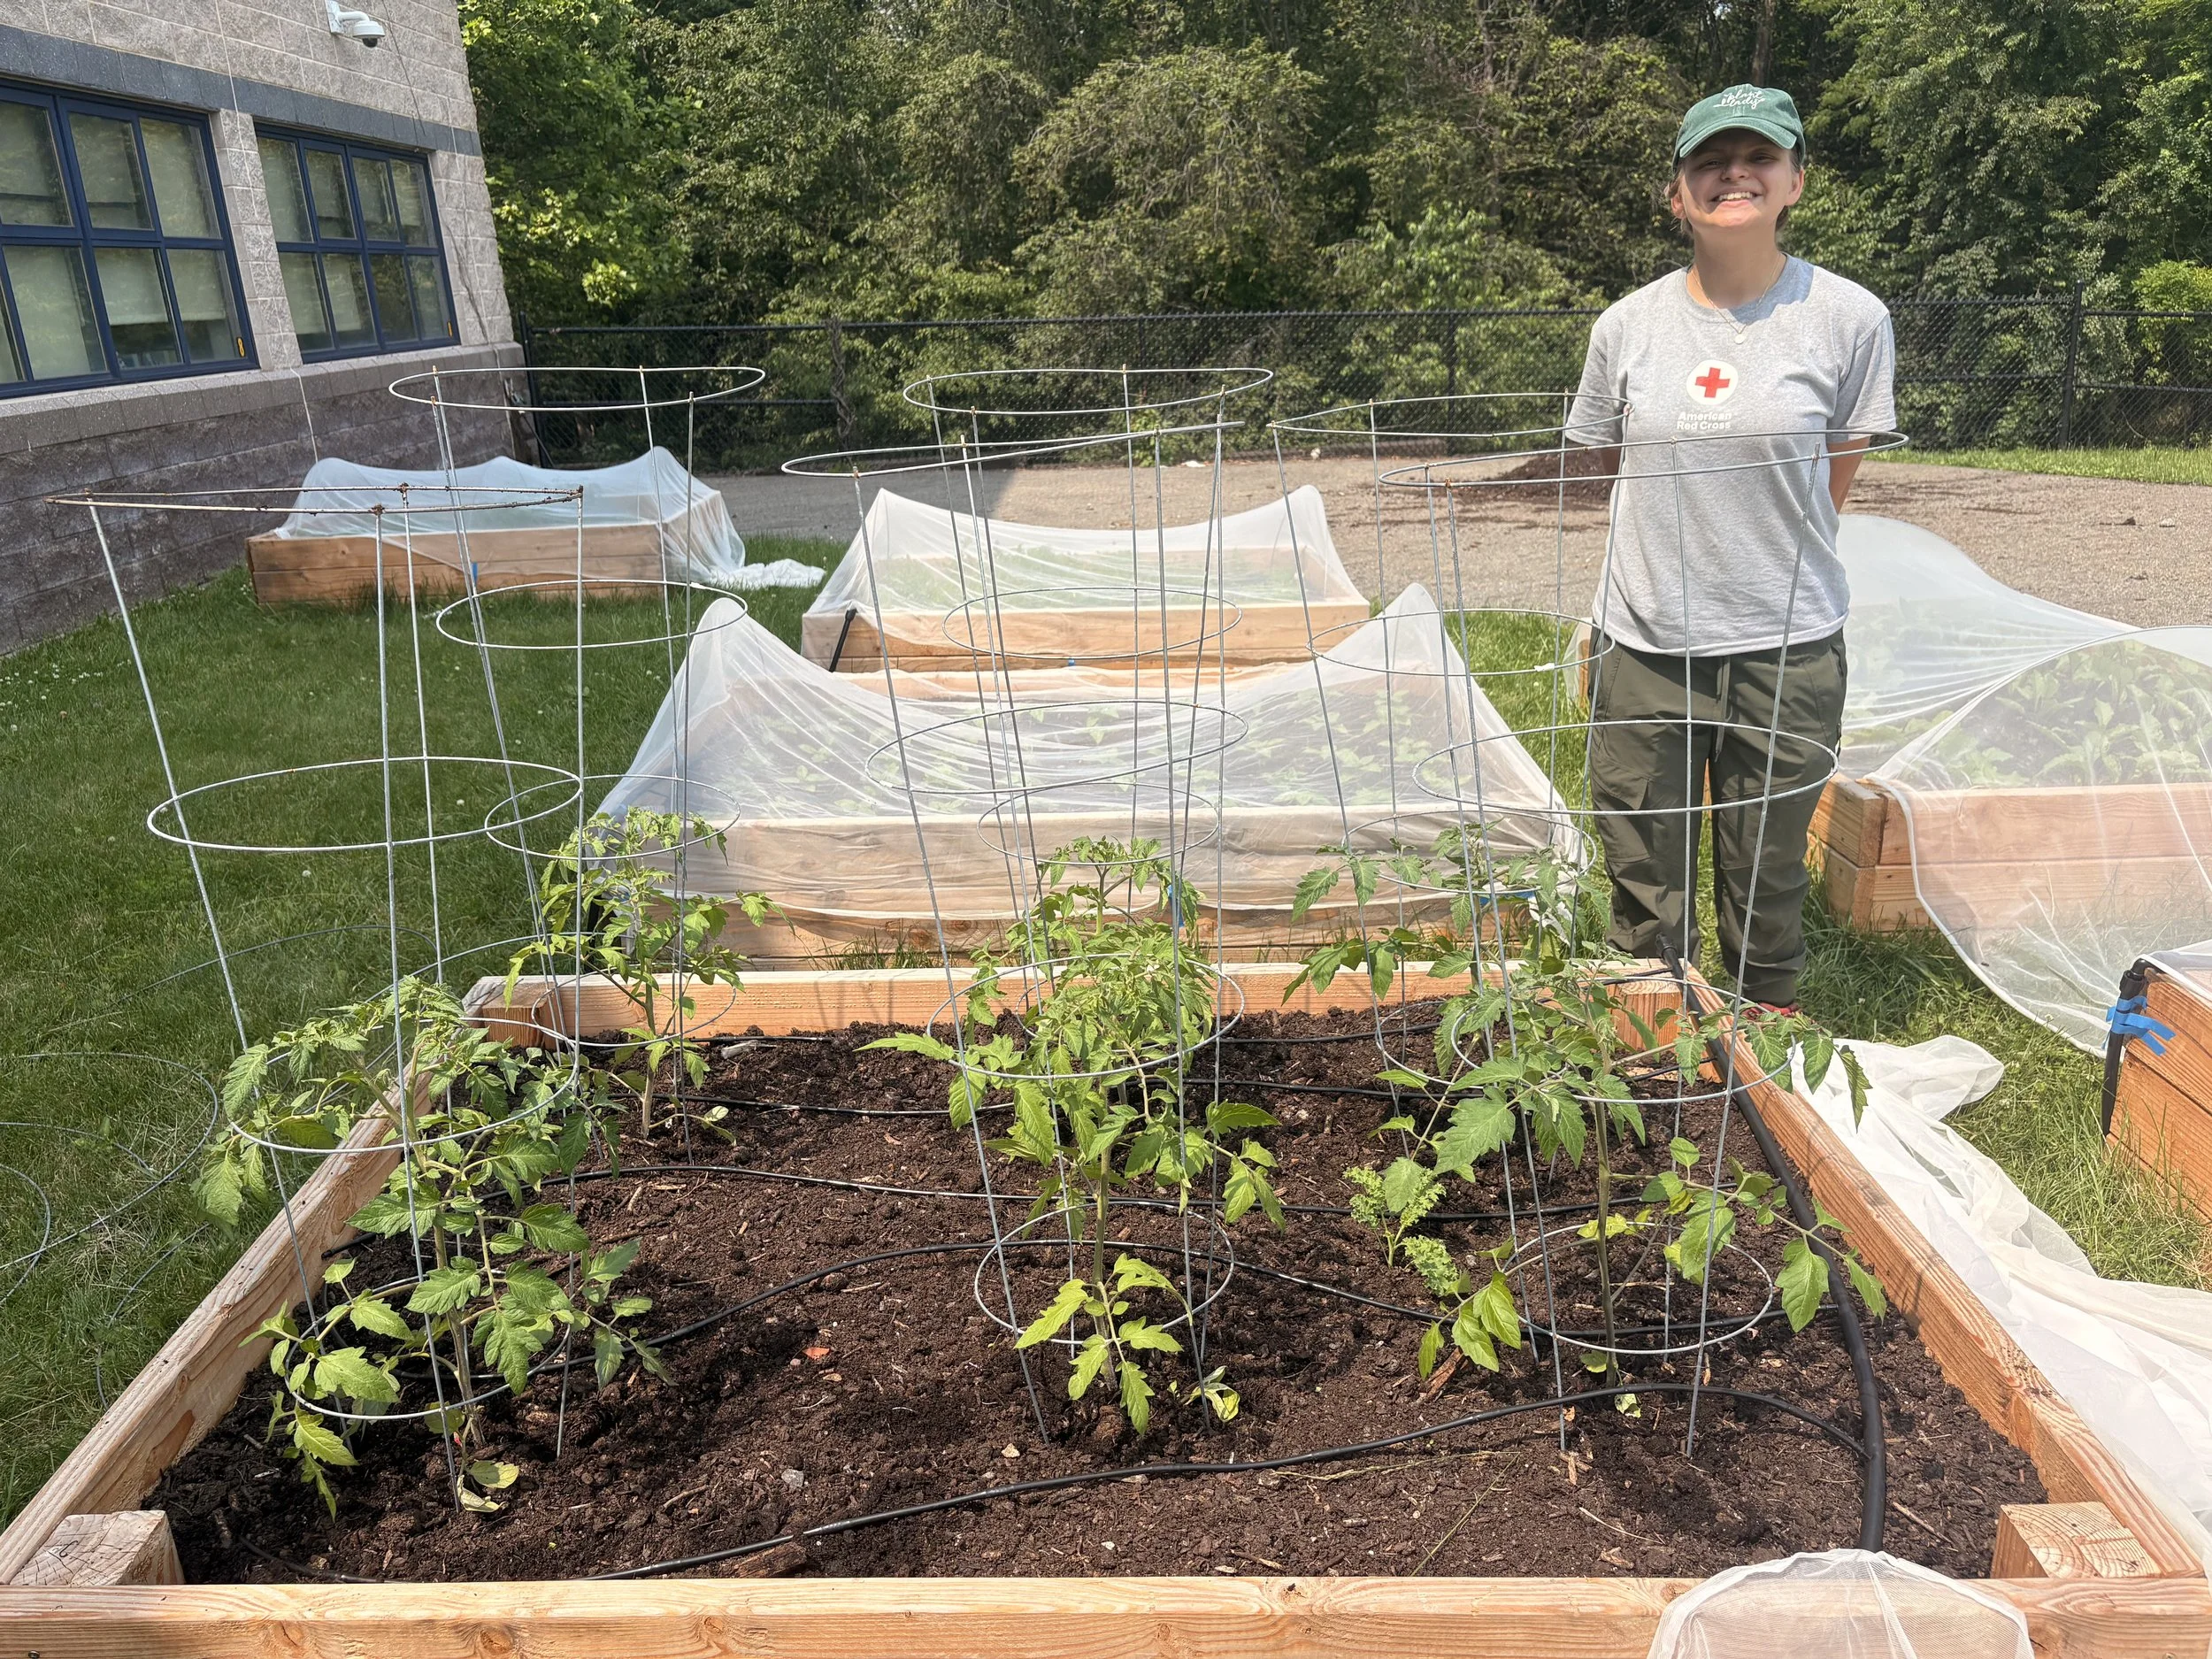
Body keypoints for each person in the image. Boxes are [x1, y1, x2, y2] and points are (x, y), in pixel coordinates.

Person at [1567, 84, 1896, 1011]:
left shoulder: (1848, 319)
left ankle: (1764, 1034)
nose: (1734, 176)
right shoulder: (1626, 326)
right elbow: (1603, 462)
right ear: (1677, 194)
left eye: (1759, 158)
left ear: (1796, 181)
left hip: (1784, 641)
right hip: (1645, 639)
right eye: (1710, 162)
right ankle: (1649, 1021)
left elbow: (1834, 474)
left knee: (1767, 862)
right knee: (1639, 854)